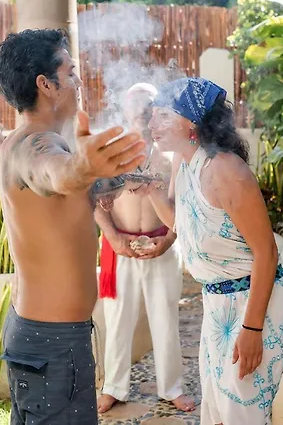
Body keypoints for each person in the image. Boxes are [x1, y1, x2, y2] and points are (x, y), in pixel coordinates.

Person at [0, 28, 147, 425]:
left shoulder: (21, 141)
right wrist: (82, 167)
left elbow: (74, 187)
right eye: (71, 72)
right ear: (46, 84)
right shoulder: (34, 147)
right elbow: (56, 174)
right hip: (53, 343)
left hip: (44, 337)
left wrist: (127, 173)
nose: (78, 82)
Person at [138, 77, 283, 425]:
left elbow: (267, 253)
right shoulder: (184, 163)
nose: (152, 125)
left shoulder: (226, 170)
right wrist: (151, 191)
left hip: (254, 304)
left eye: (163, 115)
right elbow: (181, 220)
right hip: (217, 306)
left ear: (191, 122)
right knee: (219, 415)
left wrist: (252, 329)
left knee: (242, 416)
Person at [95, 83, 195, 414]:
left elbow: (183, 205)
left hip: (161, 246)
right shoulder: (111, 155)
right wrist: (113, 237)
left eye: (149, 105)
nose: (142, 111)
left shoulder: (171, 155)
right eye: (136, 105)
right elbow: (92, 200)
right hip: (120, 248)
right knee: (117, 322)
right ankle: (113, 388)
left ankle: (172, 388)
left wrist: (168, 240)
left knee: (165, 320)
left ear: (159, 111)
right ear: (125, 110)